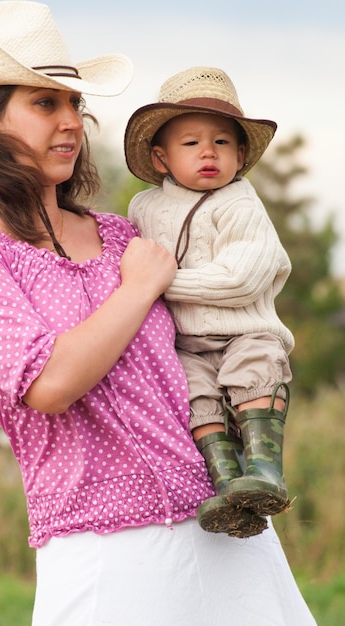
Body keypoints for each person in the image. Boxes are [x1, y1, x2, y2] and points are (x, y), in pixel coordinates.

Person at [0, 4, 316, 624]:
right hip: (108, 544)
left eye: (74, 103)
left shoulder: (125, 234)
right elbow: (50, 384)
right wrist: (139, 288)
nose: (72, 121)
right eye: (45, 103)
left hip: (225, 527)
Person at [124, 66, 294, 539]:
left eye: (221, 143)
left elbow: (241, 279)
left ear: (240, 155)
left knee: (254, 371)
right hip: (185, 342)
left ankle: (264, 471)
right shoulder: (142, 208)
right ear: (160, 158)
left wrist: (157, 283)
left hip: (244, 330)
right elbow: (129, 259)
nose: (207, 153)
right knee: (195, 398)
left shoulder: (240, 203)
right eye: (190, 143)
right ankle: (225, 487)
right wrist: (139, 282)